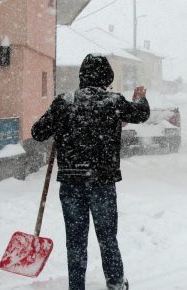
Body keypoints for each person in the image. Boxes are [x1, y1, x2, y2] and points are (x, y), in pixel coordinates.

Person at [31, 54, 150, 290]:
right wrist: (140, 99)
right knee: (107, 237)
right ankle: (115, 283)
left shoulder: (64, 102)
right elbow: (140, 115)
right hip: (102, 182)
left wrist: (58, 124)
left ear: (82, 76)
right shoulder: (113, 101)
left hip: (72, 181)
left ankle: (77, 287)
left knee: (75, 241)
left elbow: (37, 132)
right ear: (108, 76)